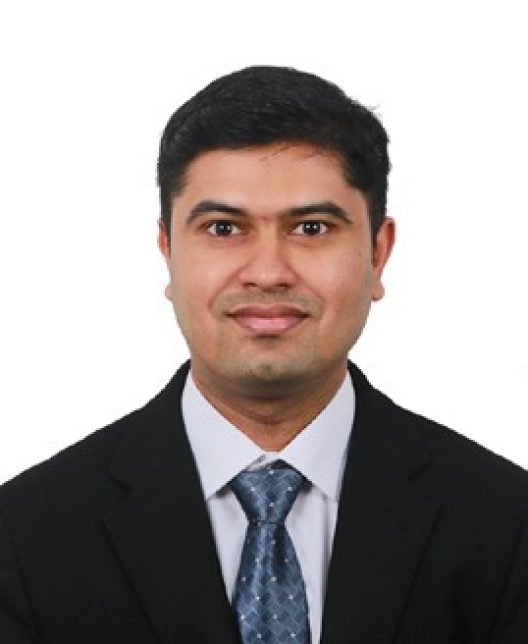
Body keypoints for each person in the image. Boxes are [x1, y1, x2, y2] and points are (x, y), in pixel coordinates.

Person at [0, 66, 527, 644]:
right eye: (224, 229)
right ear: (168, 251)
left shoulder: (506, 524)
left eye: (312, 227)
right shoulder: (25, 536)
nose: (269, 272)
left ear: (378, 254)